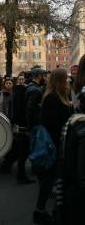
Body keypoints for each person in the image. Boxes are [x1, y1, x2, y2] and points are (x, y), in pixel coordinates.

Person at [33, 69, 73, 225]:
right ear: (60, 80)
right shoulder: (52, 98)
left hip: (56, 143)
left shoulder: (56, 96)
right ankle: (40, 211)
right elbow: (51, 123)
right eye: (66, 78)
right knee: (49, 179)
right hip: (54, 144)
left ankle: (48, 210)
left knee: (53, 179)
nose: (69, 81)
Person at [57, 88, 85, 225]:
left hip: (69, 188)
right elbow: (83, 173)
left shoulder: (73, 122)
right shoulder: (83, 129)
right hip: (78, 194)